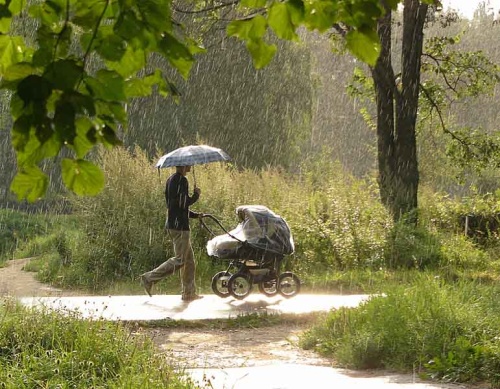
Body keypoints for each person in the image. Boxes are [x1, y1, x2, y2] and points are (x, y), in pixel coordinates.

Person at [140, 165, 204, 301]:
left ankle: (189, 293)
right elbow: (183, 203)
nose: (191, 166)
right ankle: (149, 278)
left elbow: (174, 205)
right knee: (181, 259)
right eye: (189, 164)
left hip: (173, 224)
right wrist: (196, 195)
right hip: (180, 227)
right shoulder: (181, 180)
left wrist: (194, 215)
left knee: (189, 261)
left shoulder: (171, 180)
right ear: (183, 165)